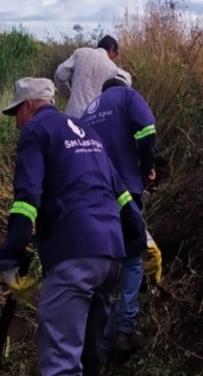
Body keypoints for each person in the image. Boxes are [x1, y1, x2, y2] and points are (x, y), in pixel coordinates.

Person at [0, 77, 158, 376]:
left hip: (73, 257)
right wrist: (143, 240)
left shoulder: (35, 132)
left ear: (29, 106)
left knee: (60, 366)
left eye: (16, 112)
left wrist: (9, 259)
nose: (16, 122)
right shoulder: (89, 134)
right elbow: (121, 195)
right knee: (89, 357)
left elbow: (26, 200)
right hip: (109, 260)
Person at [79, 69, 162, 358]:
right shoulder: (127, 95)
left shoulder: (88, 112)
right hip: (123, 192)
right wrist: (144, 167)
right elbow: (148, 129)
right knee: (131, 260)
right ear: (124, 86)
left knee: (105, 267)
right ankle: (124, 330)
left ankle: (100, 348)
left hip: (90, 200)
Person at [54, 35, 120, 119]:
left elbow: (60, 74)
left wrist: (69, 94)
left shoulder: (81, 52)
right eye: (116, 54)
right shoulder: (113, 69)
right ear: (111, 49)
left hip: (72, 114)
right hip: (93, 119)